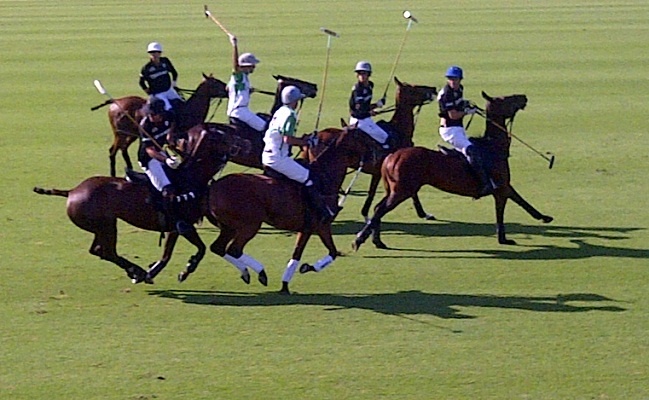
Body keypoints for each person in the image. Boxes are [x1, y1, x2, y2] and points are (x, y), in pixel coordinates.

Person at [262, 85, 335, 223]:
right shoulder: (290, 114)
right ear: (295, 101)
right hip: (278, 158)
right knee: (308, 178)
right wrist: (306, 143)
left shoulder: (280, 111)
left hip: (268, 154)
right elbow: (287, 139)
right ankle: (322, 213)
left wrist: (303, 139)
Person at [137, 98, 192, 235]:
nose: (151, 117)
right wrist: (166, 159)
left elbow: (171, 130)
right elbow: (150, 150)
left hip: (162, 151)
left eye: (154, 114)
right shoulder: (145, 125)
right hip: (149, 159)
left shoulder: (169, 116)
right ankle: (176, 221)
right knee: (168, 189)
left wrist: (171, 140)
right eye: (150, 114)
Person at [437, 65, 493, 197]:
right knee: (471, 150)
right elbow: (453, 115)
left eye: (455, 79)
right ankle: (484, 183)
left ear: (460, 79)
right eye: (450, 78)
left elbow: (459, 104)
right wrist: (467, 112)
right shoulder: (447, 94)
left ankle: (454, 152)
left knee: (469, 148)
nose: (452, 81)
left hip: (458, 127)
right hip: (449, 130)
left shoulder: (459, 89)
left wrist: (466, 104)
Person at [225, 34, 266, 132]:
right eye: (252, 65)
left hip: (239, 110)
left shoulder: (243, 77)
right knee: (266, 127)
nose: (254, 67)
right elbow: (235, 66)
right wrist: (234, 45)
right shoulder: (238, 76)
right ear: (246, 65)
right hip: (240, 111)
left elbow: (230, 89)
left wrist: (247, 91)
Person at [348, 61, 390, 149]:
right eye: (360, 73)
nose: (362, 76)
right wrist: (371, 111)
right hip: (359, 120)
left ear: (369, 74)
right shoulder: (357, 89)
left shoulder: (370, 86)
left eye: (364, 73)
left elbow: (366, 105)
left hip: (366, 118)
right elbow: (359, 109)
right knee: (384, 137)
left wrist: (377, 104)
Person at [139, 42, 183, 112]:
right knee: (169, 108)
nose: (154, 54)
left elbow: (174, 73)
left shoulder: (165, 61)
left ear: (160, 53)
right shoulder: (146, 68)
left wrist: (174, 84)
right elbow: (141, 83)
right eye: (152, 52)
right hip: (158, 94)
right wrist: (149, 93)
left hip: (168, 90)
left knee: (182, 104)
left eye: (156, 52)